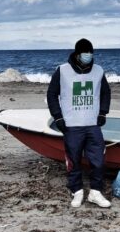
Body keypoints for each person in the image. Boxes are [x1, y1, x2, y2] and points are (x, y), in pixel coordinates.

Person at [47, 38, 112, 208]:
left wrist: (103, 112)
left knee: (98, 159)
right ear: (77, 54)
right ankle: (77, 191)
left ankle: (95, 192)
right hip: (71, 125)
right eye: (85, 53)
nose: (88, 56)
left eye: (91, 53)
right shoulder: (62, 71)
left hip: (92, 124)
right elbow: (51, 95)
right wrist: (58, 117)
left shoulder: (98, 71)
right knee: (73, 160)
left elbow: (106, 93)